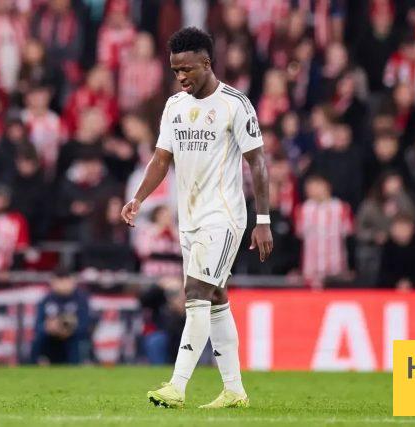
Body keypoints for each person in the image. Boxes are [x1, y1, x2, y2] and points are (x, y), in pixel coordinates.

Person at [121, 27, 272, 409]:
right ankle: (234, 391)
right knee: (216, 298)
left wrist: (263, 220)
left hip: (224, 217)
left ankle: (177, 386)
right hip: (188, 219)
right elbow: (161, 159)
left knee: (195, 292)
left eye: (187, 69)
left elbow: (257, 162)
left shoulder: (235, 104)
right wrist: (138, 198)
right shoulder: (174, 106)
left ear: (207, 63)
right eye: (175, 70)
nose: (181, 77)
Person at [30, 267, 91, 365]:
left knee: (79, 341)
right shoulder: (46, 300)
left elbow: (85, 325)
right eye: (60, 281)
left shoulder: (81, 299)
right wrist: (48, 327)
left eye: (66, 280)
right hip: (52, 338)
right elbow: (37, 325)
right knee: (39, 338)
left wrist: (69, 329)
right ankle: (36, 363)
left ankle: (77, 365)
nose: (63, 285)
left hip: (73, 337)